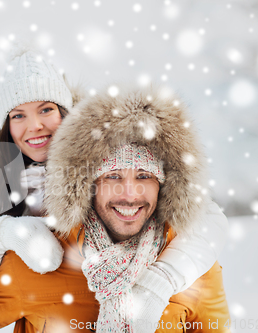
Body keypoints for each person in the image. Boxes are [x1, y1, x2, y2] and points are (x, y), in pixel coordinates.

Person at [0, 50, 229, 331]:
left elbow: (207, 219)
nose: (35, 126)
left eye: (46, 109)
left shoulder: (106, 140)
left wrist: (159, 281)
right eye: (18, 115)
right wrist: (0, 234)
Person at [44, 86, 231, 332]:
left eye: (144, 176)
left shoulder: (195, 270)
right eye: (112, 176)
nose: (130, 194)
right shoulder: (47, 259)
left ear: (164, 186)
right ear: (89, 186)